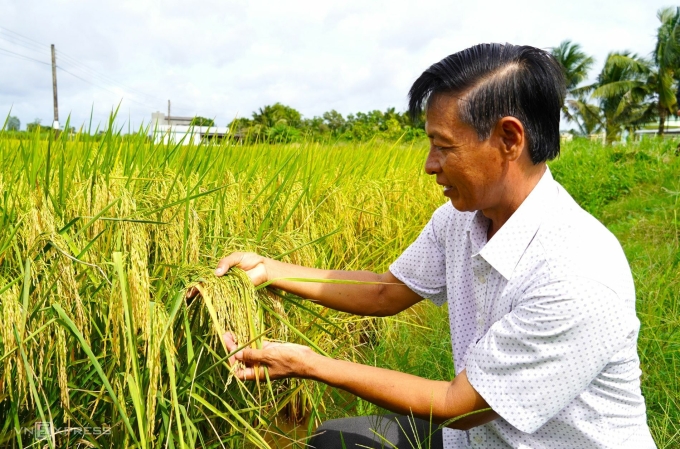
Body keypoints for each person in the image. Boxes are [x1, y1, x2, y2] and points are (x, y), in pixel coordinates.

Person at [211, 44, 657, 448]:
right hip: (476, 441)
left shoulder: (576, 272)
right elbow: (388, 290)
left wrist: (309, 363)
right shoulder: (462, 220)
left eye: (444, 146)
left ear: (509, 139)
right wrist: (270, 270)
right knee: (334, 440)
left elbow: (458, 406)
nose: (430, 165)